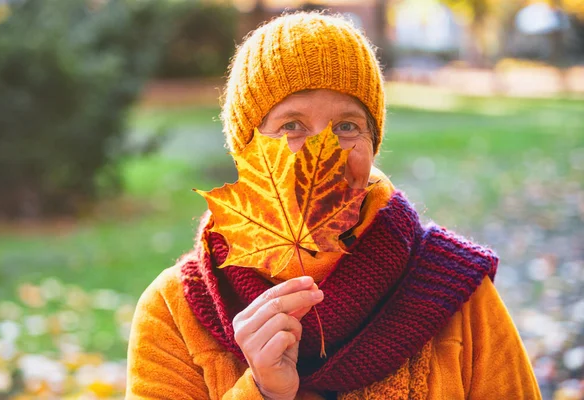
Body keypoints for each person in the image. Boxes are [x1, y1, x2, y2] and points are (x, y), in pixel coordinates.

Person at [126, 12, 541, 400]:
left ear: (373, 146)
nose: (324, 154)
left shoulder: (455, 291)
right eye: (292, 125)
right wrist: (262, 391)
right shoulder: (173, 311)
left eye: (347, 126)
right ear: (245, 152)